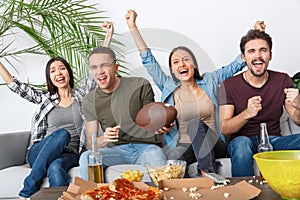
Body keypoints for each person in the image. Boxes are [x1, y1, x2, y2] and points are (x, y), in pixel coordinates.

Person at [125, 10, 255, 175]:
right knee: (174, 161)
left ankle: (208, 173)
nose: (182, 64)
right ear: (172, 69)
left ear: (194, 64)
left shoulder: (210, 80)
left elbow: (236, 65)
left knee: (195, 124)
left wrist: (255, 36)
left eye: (186, 59)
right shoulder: (167, 85)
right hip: (184, 147)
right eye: (176, 62)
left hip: (215, 144)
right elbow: (148, 60)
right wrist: (132, 26)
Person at [0, 22, 113, 198]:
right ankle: (28, 187)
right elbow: (16, 86)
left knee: (56, 166)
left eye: (62, 68)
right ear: (50, 78)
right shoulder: (45, 99)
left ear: (68, 73)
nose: (58, 73)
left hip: (71, 153)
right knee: (62, 134)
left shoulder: (82, 95)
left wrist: (107, 37)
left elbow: (97, 70)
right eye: (53, 71)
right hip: (39, 152)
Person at [218, 22, 300, 177]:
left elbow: (297, 121)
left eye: (263, 50)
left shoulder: (282, 79)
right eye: (251, 51)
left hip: (274, 141)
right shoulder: (228, 85)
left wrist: (299, 105)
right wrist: (247, 113)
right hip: (242, 142)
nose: (258, 56)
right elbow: (225, 127)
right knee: (242, 144)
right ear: (244, 57)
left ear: (270, 55)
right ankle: (244, 192)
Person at [78, 46, 166, 181]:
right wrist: (104, 139)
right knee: (86, 157)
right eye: (94, 67)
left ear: (116, 68)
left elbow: (153, 121)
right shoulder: (90, 100)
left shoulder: (140, 85)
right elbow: (91, 144)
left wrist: (162, 126)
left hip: (146, 148)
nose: (99, 71)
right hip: (116, 150)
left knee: (159, 166)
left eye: (104, 65)